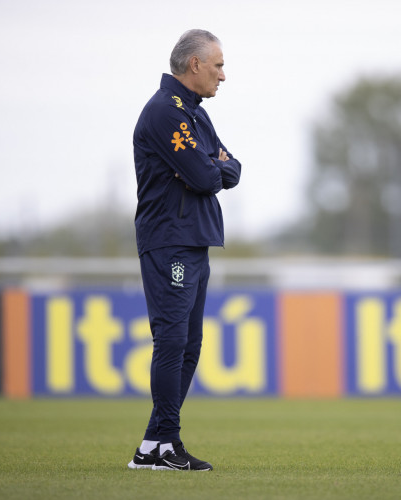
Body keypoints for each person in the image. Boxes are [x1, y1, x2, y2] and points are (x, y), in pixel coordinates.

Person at [127, 29, 241, 471]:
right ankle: (165, 442)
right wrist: (208, 167)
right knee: (172, 341)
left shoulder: (195, 114)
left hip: (194, 239)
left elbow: (231, 168)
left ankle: (155, 446)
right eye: (218, 65)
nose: (223, 75)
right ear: (194, 65)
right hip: (169, 240)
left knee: (189, 344)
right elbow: (206, 175)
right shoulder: (163, 113)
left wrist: (210, 167)